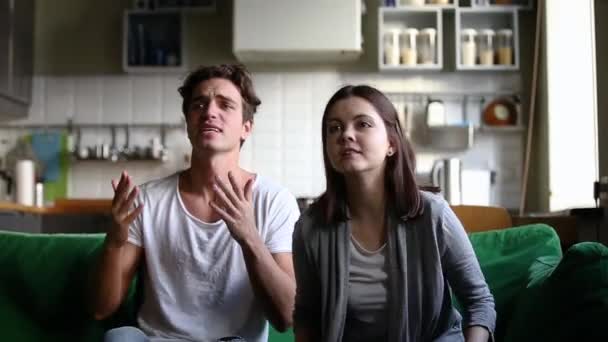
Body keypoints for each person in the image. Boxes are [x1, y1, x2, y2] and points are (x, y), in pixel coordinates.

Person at [90, 64, 300, 342]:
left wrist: (250, 237)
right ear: (188, 122)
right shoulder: (147, 201)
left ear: (246, 128)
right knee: (119, 338)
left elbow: (286, 317)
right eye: (199, 104)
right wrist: (113, 243)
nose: (210, 111)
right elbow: (102, 309)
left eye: (225, 105)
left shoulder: (274, 201)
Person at [292, 85, 496, 342]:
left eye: (362, 124)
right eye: (334, 128)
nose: (346, 135)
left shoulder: (433, 214)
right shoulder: (310, 228)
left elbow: (479, 301)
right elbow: (307, 314)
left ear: (392, 143)